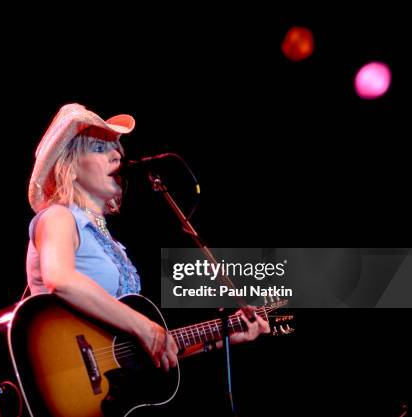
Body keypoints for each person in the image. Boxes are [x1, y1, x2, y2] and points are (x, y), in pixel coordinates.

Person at [26, 103, 269, 374]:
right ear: (69, 168)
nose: (116, 156)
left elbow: (137, 351)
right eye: (99, 148)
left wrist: (219, 339)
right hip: (61, 373)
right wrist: (142, 325)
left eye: (116, 148)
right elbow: (60, 279)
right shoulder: (58, 217)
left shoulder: (112, 245)